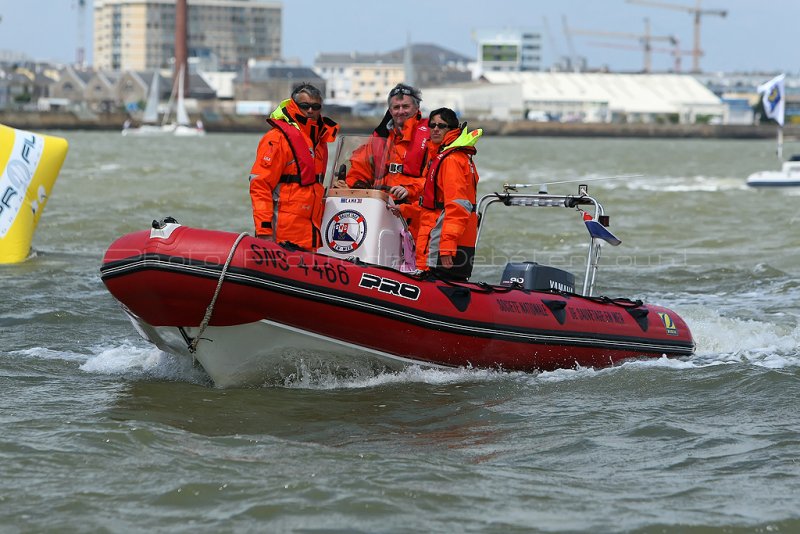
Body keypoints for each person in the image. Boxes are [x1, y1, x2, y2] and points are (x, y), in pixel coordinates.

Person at [249, 83, 339, 250]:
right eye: (305, 106)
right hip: (282, 234)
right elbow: (260, 185)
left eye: (315, 106)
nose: (310, 111)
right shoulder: (277, 138)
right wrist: (264, 231)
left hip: (309, 233)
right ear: (294, 105)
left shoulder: (320, 141)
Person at [414, 107, 482, 280]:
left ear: (452, 129)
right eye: (432, 125)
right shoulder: (449, 156)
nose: (435, 129)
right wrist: (404, 209)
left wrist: (446, 248)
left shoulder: (451, 160)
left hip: (447, 244)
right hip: (448, 239)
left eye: (441, 126)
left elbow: (457, 206)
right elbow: (431, 203)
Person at [334, 83, 430, 205]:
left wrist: (410, 189)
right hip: (379, 204)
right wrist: (348, 186)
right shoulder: (381, 136)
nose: (401, 111)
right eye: (396, 107)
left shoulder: (430, 136)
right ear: (390, 110)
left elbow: (435, 177)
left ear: (417, 108)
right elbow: (361, 167)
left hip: (413, 206)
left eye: (405, 106)